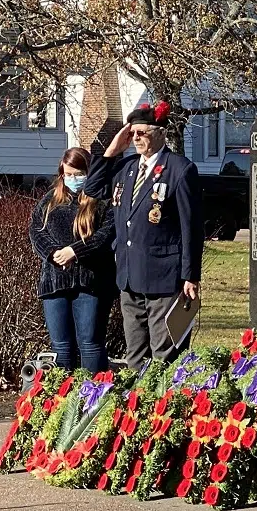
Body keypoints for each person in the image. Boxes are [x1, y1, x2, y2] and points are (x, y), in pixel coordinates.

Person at [83, 101, 203, 370]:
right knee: (135, 353)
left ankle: (165, 406)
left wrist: (190, 275)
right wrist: (112, 151)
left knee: (164, 353)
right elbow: (93, 188)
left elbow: (191, 228)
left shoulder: (180, 170)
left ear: (160, 133)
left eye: (141, 133)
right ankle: (137, 407)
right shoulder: (126, 169)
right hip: (129, 275)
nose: (135, 138)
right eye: (132, 133)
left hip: (164, 276)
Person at [29, 147, 117, 374]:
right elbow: (36, 231)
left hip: (92, 283)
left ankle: (93, 396)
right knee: (60, 347)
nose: (73, 179)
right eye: (68, 174)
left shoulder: (101, 199)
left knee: (90, 343)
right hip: (55, 282)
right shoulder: (50, 199)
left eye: (78, 174)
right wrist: (53, 253)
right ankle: (61, 399)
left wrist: (75, 251)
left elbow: (105, 235)